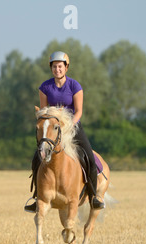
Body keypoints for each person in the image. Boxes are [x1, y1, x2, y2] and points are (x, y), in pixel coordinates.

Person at [24, 51, 105, 213]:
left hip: (72, 128)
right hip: (53, 130)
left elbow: (79, 111)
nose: (57, 69)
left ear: (66, 67)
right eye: (54, 66)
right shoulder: (45, 87)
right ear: (51, 68)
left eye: (60, 66)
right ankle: (36, 196)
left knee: (88, 156)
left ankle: (94, 196)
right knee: (37, 158)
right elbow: (45, 111)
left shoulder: (75, 86)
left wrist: (68, 126)